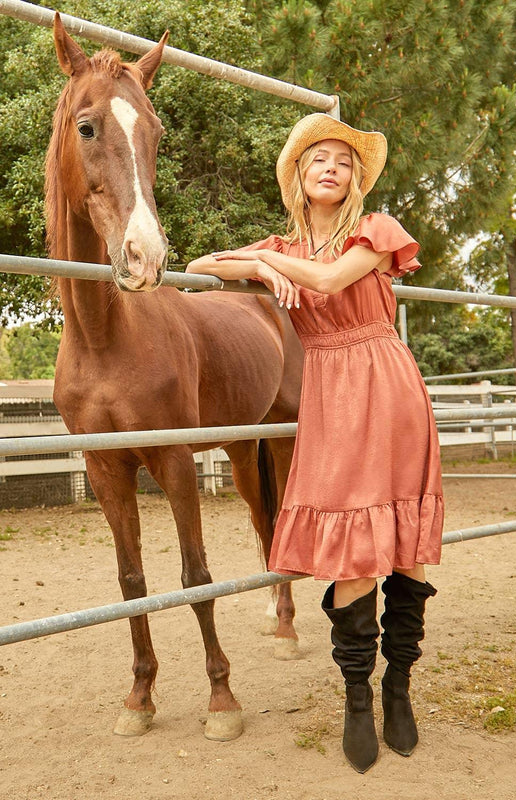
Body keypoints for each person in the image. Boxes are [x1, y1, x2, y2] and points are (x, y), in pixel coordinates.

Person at [186, 113, 443, 773]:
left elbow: (329, 284)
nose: (330, 167)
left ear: (354, 179)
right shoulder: (284, 245)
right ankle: (357, 697)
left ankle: (398, 687)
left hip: (386, 382)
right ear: (297, 177)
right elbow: (194, 264)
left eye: (341, 160)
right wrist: (260, 259)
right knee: (353, 556)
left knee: (407, 553)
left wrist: (265, 262)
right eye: (315, 159)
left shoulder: (374, 231)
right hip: (328, 393)